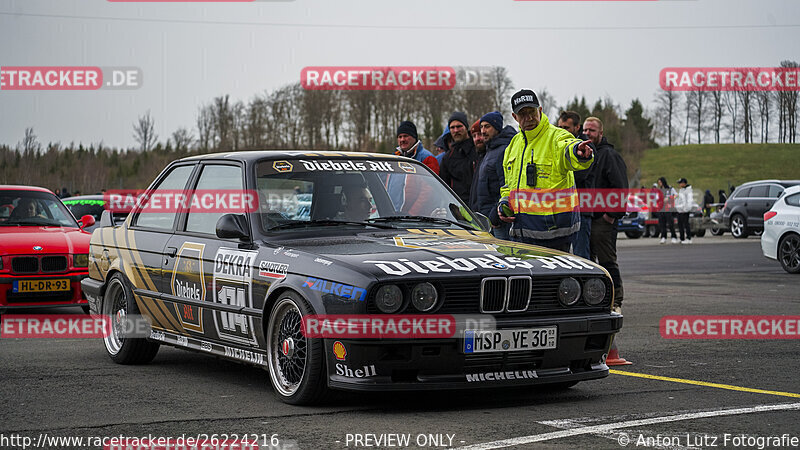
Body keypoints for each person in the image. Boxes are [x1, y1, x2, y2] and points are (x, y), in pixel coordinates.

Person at [495, 89, 595, 251]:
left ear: (540, 110)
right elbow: (508, 186)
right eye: (522, 114)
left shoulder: (556, 136)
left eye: (532, 112)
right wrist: (504, 203)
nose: (529, 118)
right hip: (521, 235)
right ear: (514, 117)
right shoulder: (513, 145)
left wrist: (579, 153)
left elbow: (567, 149)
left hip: (554, 237)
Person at [584, 117, 628, 312]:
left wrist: (610, 215)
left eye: (592, 130)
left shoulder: (609, 155)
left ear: (600, 133)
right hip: (587, 218)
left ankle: (616, 301)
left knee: (607, 261)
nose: (587, 133)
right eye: (585, 130)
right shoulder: (584, 155)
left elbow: (620, 187)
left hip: (603, 221)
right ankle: (596, 300)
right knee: (589, 263)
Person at [558, 111, 593, 259]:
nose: (562, 131)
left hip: (582, 210)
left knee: (581, 257)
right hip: (564, 210)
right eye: (559, 127)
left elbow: (579, 174)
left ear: (577, 127)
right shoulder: (558, 146)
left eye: (566, 127)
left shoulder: (586, 149)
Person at [475, 111, 515, 240]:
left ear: (497, 128)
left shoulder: (503, 150)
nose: (483, 131)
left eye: (487, 126)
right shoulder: (490, 150)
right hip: (487, 220)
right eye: (481, 127)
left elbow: (506, 185)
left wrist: (495, 216)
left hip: (498, 223)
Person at [387, 121, 439, 213]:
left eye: (406, 136)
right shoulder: (394, 158)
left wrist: (412, 214)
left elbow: (428, 192)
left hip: (415, 219)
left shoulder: (427, 158)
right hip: (393, 215)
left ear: (414, 137)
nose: (402, 139)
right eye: (400, 137)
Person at [439, 111, 477, 205]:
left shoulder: (478, 150)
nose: (456, 130)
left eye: (459, 126)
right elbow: (444, 188)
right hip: (458, 209)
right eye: (452, 127)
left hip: (478, 207)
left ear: (466, 127)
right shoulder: (448, 158)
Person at [468, 119, 486, 213]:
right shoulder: (480, 157)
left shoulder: (490, 156)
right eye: (474, 136)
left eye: (479, 134)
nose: (477, 139)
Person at [657, 177, 678, 244]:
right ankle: (663, 237)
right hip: (661, 208)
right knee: (662, 223)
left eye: (660, 182)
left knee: (670, 223)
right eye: (658, 183)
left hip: (668, 208)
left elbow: (676, 195)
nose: (659, 184)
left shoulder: (670, 189)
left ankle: (673, 237)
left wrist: (669, 198)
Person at [675, 177, 694, 244]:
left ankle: (689, 238)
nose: (679, 184)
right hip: (680, 210)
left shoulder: (688, 190)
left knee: (686, 224)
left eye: (680, 183)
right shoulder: (681, 190)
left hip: (685, 211)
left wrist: (686, 209)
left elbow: (689, 201)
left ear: (683, 183)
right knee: (680, 224)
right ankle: (682, 238)